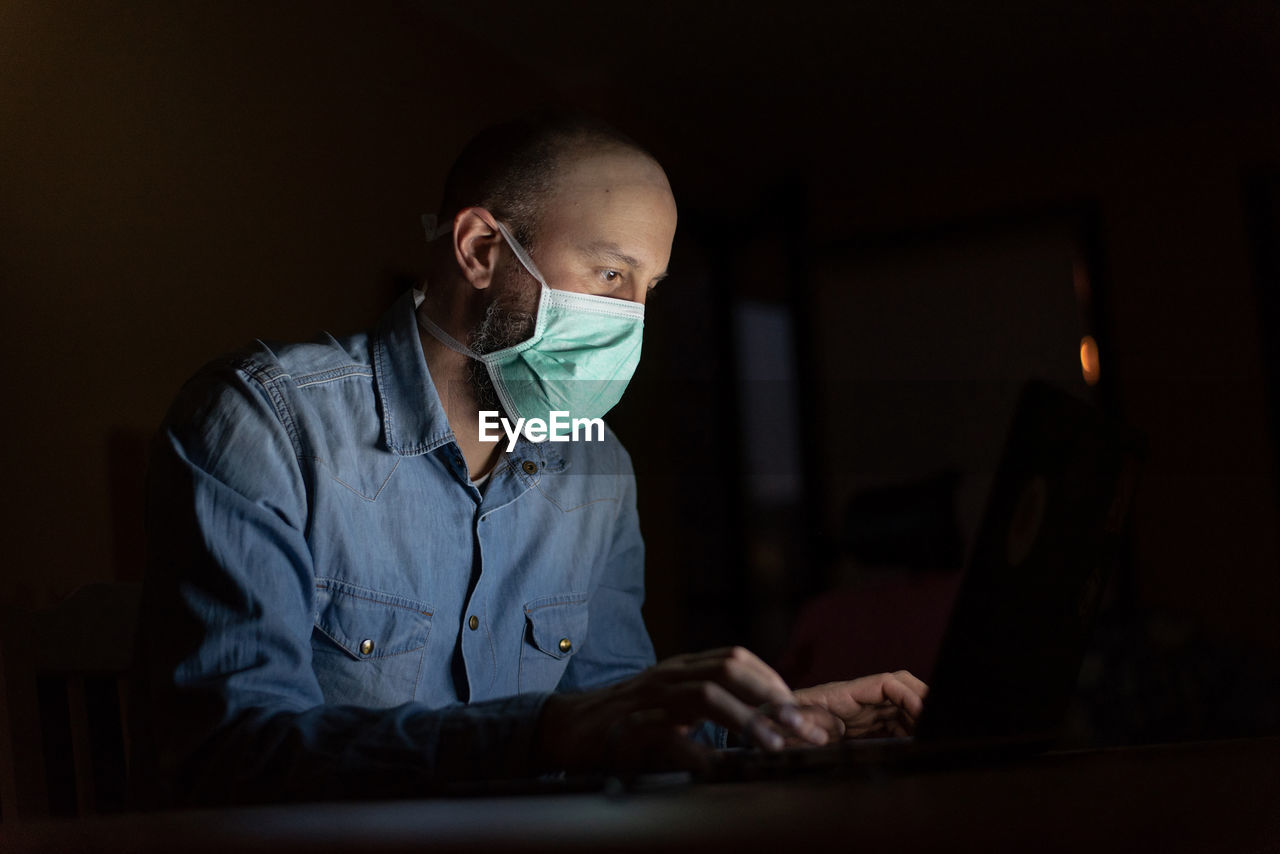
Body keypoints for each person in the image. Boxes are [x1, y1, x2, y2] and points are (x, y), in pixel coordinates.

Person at [134, 112, 927, 806]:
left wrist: (778, 723)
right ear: (480, 250)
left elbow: (618, 726)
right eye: (611, 274)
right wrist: (540, 734)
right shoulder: (266, 423)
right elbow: (226, 756)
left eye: (649, 287)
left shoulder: (596, 470)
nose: (633, 322)